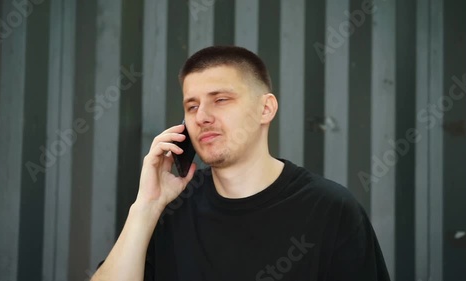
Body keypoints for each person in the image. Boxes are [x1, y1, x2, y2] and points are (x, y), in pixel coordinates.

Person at [92, 46, 390, 281]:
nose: (201, 116)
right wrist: (147, 206)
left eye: (220, 99)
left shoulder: (330, 209)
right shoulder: (170, 209)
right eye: (192, 106)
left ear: (265, 108)